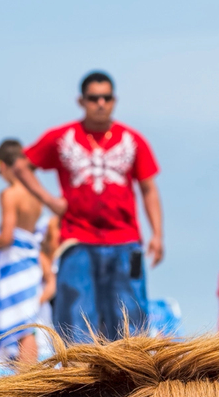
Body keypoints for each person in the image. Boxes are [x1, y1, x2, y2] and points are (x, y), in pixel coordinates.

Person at [24, 71, 163, 344]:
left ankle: (129, 381)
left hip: (128, 244)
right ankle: (81, 383)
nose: (100, 103)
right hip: (77, 241)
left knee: (131, 316)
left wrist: (157, 234)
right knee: (75, 318)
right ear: (81, 101)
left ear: (114, 101)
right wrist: (49, 200)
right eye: (93, 98)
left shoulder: (132, 140)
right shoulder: (62, 137)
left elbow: (149, 188)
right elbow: (21, 165)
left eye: (106, 97)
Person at [0, 138, 59, 367]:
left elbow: (7, 236)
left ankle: (25, 376)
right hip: (30, 260)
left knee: (20, 325)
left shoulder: (9, 194)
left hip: (13, 262)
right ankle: (28, 374)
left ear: (2, 165)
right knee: (27, 323)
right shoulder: (36, 197)